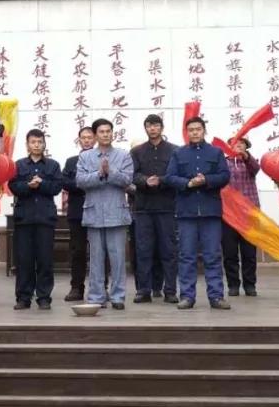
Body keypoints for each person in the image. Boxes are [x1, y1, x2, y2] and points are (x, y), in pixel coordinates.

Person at [164, 117, 231, 309]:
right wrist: (188, 183)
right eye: (191, 129)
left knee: (213, 256)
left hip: (210, 212)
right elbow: (170, 177)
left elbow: (225, 176)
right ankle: (187, 296)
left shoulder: (216, 152)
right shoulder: (179, 153)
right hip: (187, 213)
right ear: (187, 132)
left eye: (198, 129)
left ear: (204, 130)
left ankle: (216, 296)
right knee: (187, 256)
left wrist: (206, 180)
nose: (195, 132)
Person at [76, 118, 134, 309]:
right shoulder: (85, 157)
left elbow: (127, 180)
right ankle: (96, 296)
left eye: (108, 131)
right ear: (95, 135)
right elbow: (80, 181)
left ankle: (118, 297)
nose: (106, 134)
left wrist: (111, 172)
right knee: (96, 258)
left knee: (118, 258)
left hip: (116, 213)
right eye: (101, 132)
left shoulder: (123, 155)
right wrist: (99, 174)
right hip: (94, 213)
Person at [9, 129, 64, 309]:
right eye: (33, 142)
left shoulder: (53, 165)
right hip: (24, 219)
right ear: (27, 145)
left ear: (44, 144)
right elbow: (13, 186)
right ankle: (23, 298)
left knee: (45, 260)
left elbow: (57, 187)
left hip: (45, 219)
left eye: (40, 142)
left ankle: (44, 297)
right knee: (24, 260)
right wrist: (28, 186)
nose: (37, 145)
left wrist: (42, 183)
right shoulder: (18, 165)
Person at [130, 115, 177, 303]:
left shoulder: (174, 150)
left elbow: (176, 174)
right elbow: (132, 175)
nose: (153, 129)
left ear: (162, 128)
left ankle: (170, 290)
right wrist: (144, 181)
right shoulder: (136, 151)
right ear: (145, 129)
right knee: (143, 251)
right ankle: (144, 290)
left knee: (168, 251)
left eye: (156, 125)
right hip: (143, 209)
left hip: (167, 207)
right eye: (149, 126)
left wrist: (161, 180)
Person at [222, 137, 260, 297]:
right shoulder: (223, 162)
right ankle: (233, 285)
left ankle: (250, 284)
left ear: (246, 146)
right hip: (228, 214)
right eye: (234, 143)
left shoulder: (249, 162)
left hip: (248, 213)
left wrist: (245, 156)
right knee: (229, 252)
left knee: (249, 253)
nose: (238, 145)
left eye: (241, 143)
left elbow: (255, 168)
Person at [62, 126, 94, 301]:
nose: (87, 140)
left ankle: (100, 288)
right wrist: (85, 183)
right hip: (77, 212)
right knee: (77, 251)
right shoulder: (71, 161)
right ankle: (76, 287)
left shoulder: (101, 158)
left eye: (90, 137)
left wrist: (85, 182)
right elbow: (64, 182)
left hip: (97, 211)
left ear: (95, 139)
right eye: (84, 137)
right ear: (79, 140)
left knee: (99, 252)